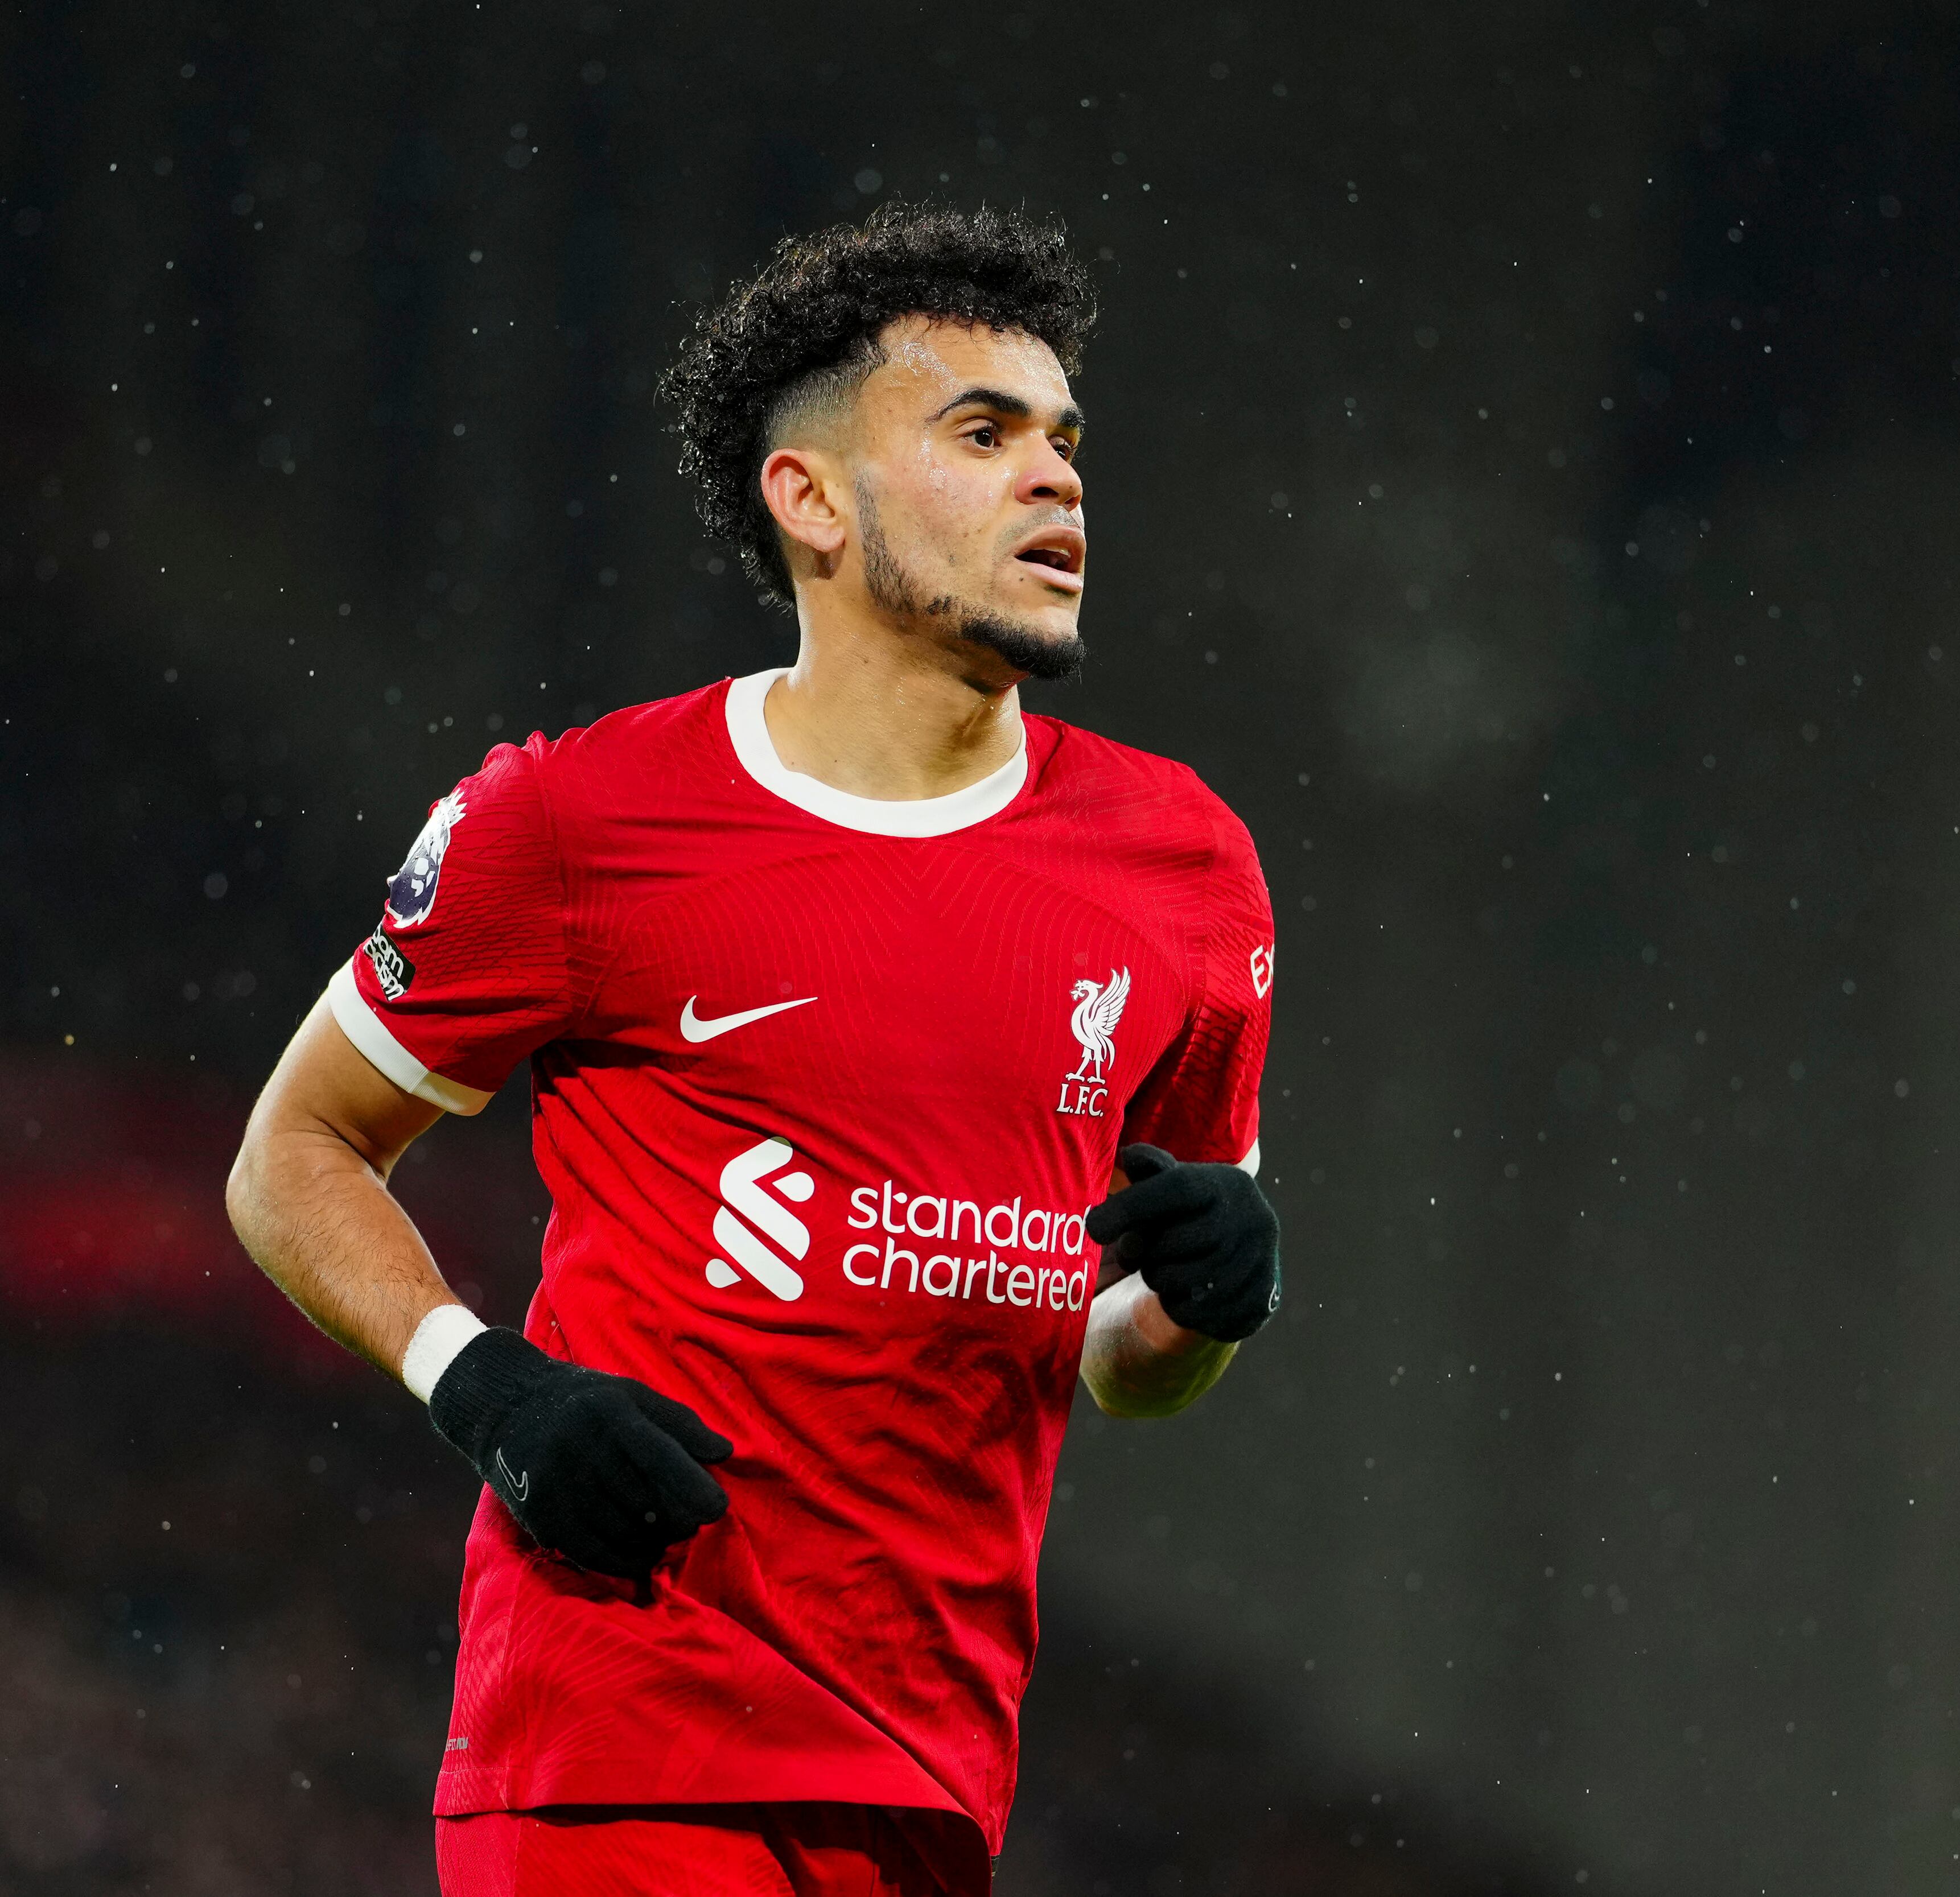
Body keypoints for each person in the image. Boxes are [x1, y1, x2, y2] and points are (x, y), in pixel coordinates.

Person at [224, 201, 1284, 1897]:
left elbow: (1126, 1360)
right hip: (622, 1747)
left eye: (1068, 442)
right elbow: (289, 1153)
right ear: (812, 505)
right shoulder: (575, 821)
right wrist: (481, 1384)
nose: (1060, 480)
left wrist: (1210, 1302)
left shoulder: (1186, 864)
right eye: (984, 433)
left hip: (935, 1777)